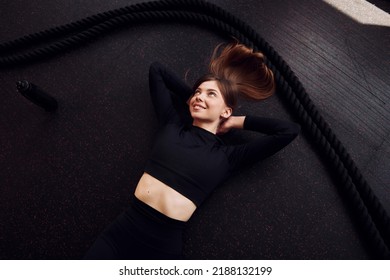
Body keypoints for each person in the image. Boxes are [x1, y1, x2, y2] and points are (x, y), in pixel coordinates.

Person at [84, 42, 300, 259]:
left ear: (226, 110)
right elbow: (157, 70)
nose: (200, 95)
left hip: (161, 246)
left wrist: (235, 121)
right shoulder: (171, 125)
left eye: (211, 94)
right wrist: (196, 99)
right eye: (198, 91)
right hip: (122, 232)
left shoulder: (228, 157)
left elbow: (288, 131)